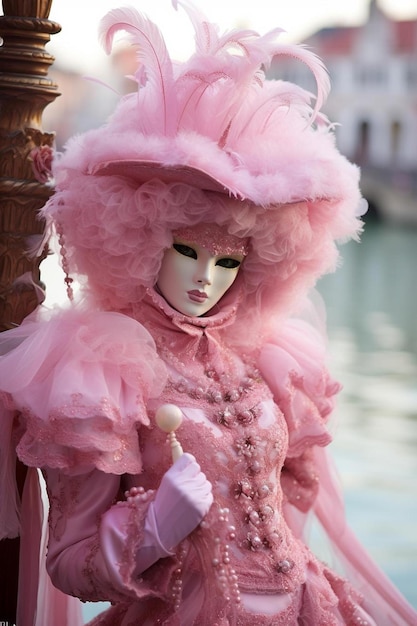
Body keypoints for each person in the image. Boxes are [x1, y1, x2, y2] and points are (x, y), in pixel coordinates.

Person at [0, 2, 416, 625]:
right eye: (186, 251)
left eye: (228, 262)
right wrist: (152, 528)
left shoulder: (265, 365)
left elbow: (284, 508)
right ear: (143, 243)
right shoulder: (105, 376)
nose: (206, 278)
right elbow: (71, 562)